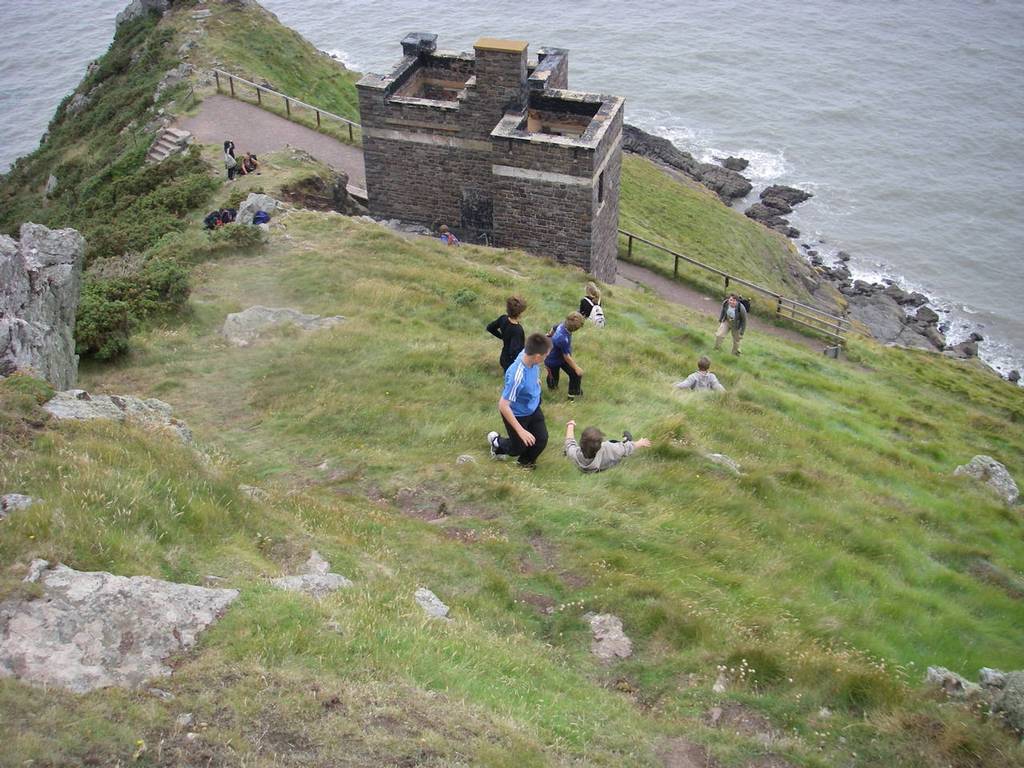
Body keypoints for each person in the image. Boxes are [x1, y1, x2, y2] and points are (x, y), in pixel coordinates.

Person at [488, 333, 552, 469]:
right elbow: (503, 405)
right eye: (546, 355)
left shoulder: (529, 354)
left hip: (533, 407)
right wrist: (521, 431)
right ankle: (496, 443)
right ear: (538, 357)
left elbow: (532, 371)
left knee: (541, 439)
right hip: (517, 414)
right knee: (518, 448)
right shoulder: (517, 376)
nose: (547, 357)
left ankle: (524, 464)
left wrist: (535, 380)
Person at [563, 420, 651, 473]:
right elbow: (625, 449)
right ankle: (626, 440)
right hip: (606, 465)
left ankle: (625, 441)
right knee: (615, 444)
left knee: (566, 451)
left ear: (581, 443)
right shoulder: (607, 447)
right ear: (600, 443)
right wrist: (639, 443)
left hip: (586, 465)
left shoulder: (574, 454)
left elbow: (569, 443)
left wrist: (570, 425)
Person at [545, 311, 585, 400]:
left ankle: (573, 395)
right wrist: (576, 367)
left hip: (560, 359)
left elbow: (554, 327)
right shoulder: (562, 339)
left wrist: (549, 334)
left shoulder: (563, 324)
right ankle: (551, 390)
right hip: (552, 361)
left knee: (575, 375)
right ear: (575, 329)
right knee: (554, 379)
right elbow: (566, 357)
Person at [486, 295, 527, 371]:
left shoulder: (503, 318)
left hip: (504, 357)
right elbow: (514, 351)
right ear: (520, 312)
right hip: (512, 363)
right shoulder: (517, 330)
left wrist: (502, 337)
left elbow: (490, 328)